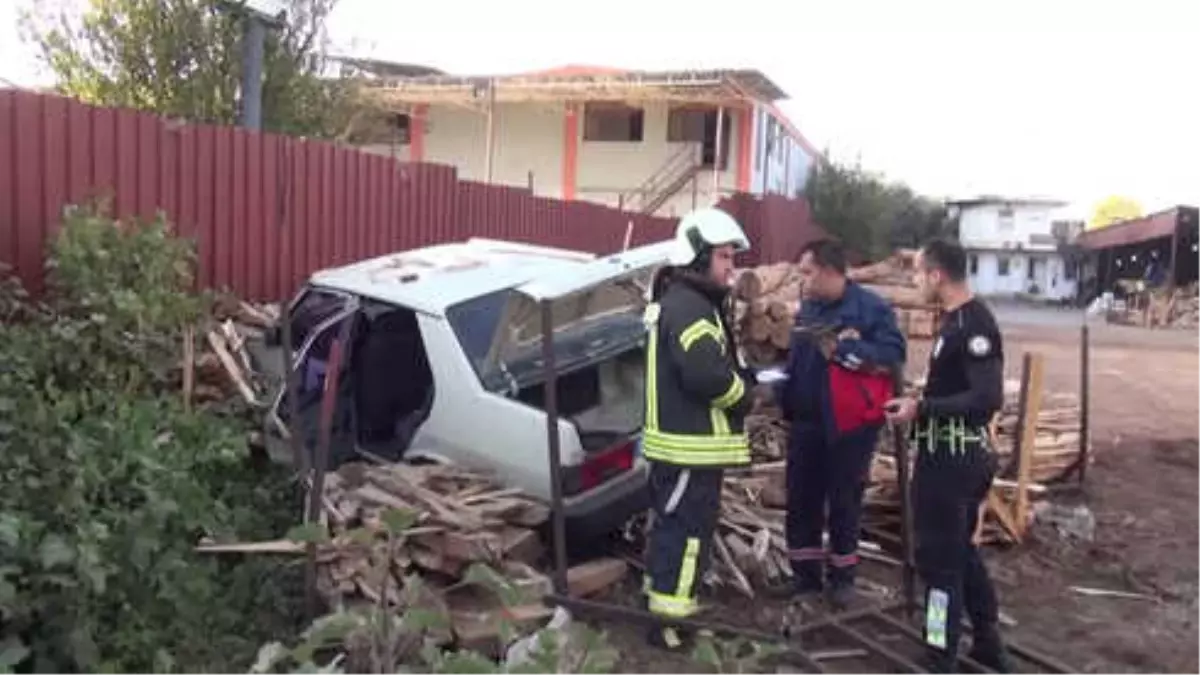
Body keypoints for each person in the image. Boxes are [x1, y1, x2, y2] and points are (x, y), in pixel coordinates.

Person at [885, 238, 1014, 674]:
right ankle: (988, 644)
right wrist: (923, 401)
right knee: (960, 554)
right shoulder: (957, 322)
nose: (916, 281)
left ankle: (939, 654)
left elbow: (986, 396)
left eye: (919, 273)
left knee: (938, 564)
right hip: (954, 457)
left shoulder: (973, 325)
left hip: (951, 463)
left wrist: (923, 408)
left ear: (937, 275)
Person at [642, 207, 754, 651]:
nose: (732, 267)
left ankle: (662, 608)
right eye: (725, 257)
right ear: (698, 256)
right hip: (689, 449)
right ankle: (671, 627)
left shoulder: (681, 300)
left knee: (672, 534)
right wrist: (743, 395)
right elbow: (706, 376)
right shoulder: (690, 308)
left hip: (680, 448)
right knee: (686, 538)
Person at [776, 239, 906, 609]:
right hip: (806, 422)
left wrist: (848, 351)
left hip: (850, 425)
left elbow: (893, 355)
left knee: (844, 501)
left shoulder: (870, 309)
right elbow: (799, 358)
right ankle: (804, 578)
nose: (803, 279)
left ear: (831, 271)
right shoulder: (809, 308)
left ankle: (842, 580)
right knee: (802, 500)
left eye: (808, 271)